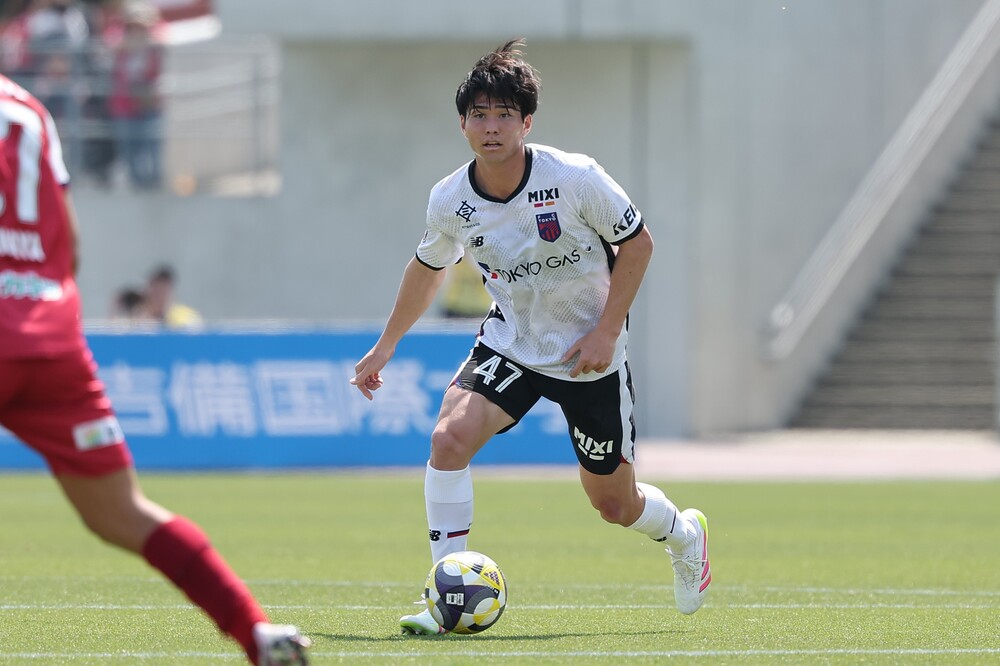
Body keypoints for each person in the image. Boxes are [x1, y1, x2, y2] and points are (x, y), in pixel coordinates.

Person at [351, 39, 712, 635]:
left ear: (527, 122)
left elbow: (638, 244)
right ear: (462, 124)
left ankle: (684, 535)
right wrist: (386, 344)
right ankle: (446, 594)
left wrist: (606, 331)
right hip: (512, 344)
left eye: (504, 114)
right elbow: (428, 266)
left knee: (614, 505)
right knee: (448, 439)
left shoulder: (575, 177)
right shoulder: (450, 199)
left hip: (588, 356)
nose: (491, 127)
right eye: (479, 115)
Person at [0, 73, 310, 665]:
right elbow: (69, 242)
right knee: (123, 512)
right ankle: (256, 632)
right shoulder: (30, 109)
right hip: (50, 337)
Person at [145, 263, 204, 330]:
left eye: (163, 289)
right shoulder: (140, 316)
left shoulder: (185, 317)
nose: (159, 294)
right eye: (156, 289)